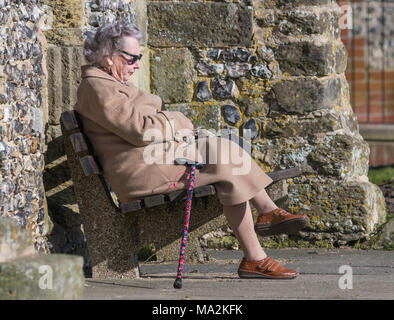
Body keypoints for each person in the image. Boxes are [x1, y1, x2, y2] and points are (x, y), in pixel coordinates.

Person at [74, 22, 309, 279]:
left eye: (139, 58)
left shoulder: (110, 83)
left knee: (224, 150)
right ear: (109, 56)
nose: (138, 64)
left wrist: (175, 128)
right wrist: (178, 121)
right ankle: (258, 247)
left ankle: (264, 224)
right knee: (226, 164)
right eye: (133, 58)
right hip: (141, 174)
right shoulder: (98, 88)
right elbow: (139, 130)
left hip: (154, 161)